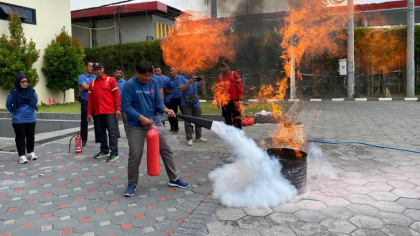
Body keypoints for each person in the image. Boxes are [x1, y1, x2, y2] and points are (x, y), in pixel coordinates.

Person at [121, 61, 190, 197]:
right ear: (137, 73)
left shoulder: (154, 82)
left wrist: (165, 109)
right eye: (144, 75)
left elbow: (158, 102)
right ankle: (132, 184)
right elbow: (125, 106)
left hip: (155, 122)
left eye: (150, 75)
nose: (147, 78)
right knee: (135, 153)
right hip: (136, 125)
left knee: (166, 150)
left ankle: (174, 178)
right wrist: (141, 118)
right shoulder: (130, 85)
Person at [87, 62, 121, 162]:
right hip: (97, 112)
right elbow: (90, 100)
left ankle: (114, 152)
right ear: (93, 71)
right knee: (100, 132)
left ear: (103, 69)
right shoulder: (92, 84)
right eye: (96, 69)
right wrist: (89, 113)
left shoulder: (110, 80)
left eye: (100, 69)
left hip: (109, 111)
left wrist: (118, 109)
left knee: (112, 132)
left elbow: (116, 95)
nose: (98, 71)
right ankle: (104, 150)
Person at [5, 74, 38, 164]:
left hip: (31, 117)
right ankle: (22, 156)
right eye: (22, 81)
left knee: (30, 135)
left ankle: (31, 152)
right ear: (18, 82)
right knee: (20, 137)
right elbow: (8, 105)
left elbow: (35, 100)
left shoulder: (32, 91)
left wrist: (29, 110)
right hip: (18, 119)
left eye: (26, 81)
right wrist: (15, 113)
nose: (25, 83)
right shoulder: (13, 93)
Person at [180, 73, 207, 146]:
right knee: (188, 120)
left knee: (199, 119)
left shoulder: (195, 78)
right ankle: (189, 139)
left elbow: (200, 91)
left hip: (195, 102)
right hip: (186, 103)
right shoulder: (182, 78)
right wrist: (189, 82)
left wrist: (201, 84)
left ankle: (198, 137)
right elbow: (181, 89)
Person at [215, 62, 244, 129]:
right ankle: (230, 131)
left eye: (225, 66)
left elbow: (239, 85)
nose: (223, 68)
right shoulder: (219, 77)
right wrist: (217, 100)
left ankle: (239, 131)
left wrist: (241, 94)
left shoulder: (234, 74)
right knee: (226, 116)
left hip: (235, 99)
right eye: (222, 67)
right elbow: (217, 90)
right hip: (224, 101)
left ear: (228, 66)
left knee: (236, 115)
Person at [78, 61, 97, 146]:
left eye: (92, 66)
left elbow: (86, 86)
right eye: (89, 66)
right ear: (86, 67)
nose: (91, 68)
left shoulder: (96, 77)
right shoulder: (81, 77)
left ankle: (99, 138)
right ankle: (84, 139)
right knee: (84, 121)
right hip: (85, 100)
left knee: (98, 120)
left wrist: (86, 86)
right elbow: (84, 87)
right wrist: (94, 86)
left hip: (96, 100)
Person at [165, 67, 184, 134]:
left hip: (182, 98)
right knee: (173, 114)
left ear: (176, 70)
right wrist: (173, 92)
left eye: (173, 70)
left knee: (185, 113)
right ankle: (176, 128)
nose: (172, 72)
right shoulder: (169, 81)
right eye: (170, 71)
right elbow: (167, 90)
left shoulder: (182, 78)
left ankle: (190, 128)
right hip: (173, 99)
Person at [113, 66, 127, 139]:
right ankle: (117, 134)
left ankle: (128, 134)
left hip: (123, 104)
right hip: (113, 104)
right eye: (117, 73)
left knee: (125, 119)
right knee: (115, 120)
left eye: (120, 73)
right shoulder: (110, 82)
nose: (119, 74)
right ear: (114, 73)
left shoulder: (124, 82)